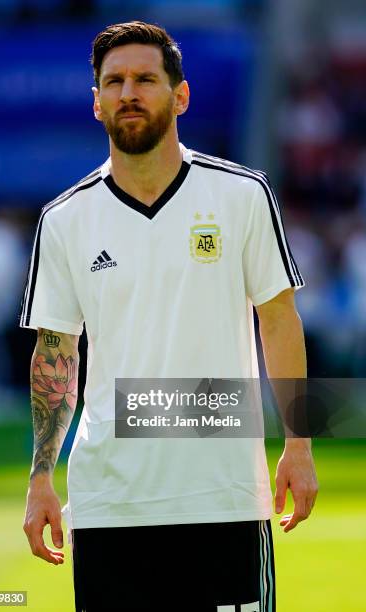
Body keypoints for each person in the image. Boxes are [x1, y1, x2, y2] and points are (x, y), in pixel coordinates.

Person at [20, 21, 318, 612]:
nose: (129, 92)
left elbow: (279, 320)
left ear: (180, 96)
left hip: (224, 496)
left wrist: (299, 444)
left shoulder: (241, 195)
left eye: (146, 79)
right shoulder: (65, 219)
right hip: (109, 503)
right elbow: (56, 353)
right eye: (115, 81)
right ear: (97, 102)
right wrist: (40, 478)